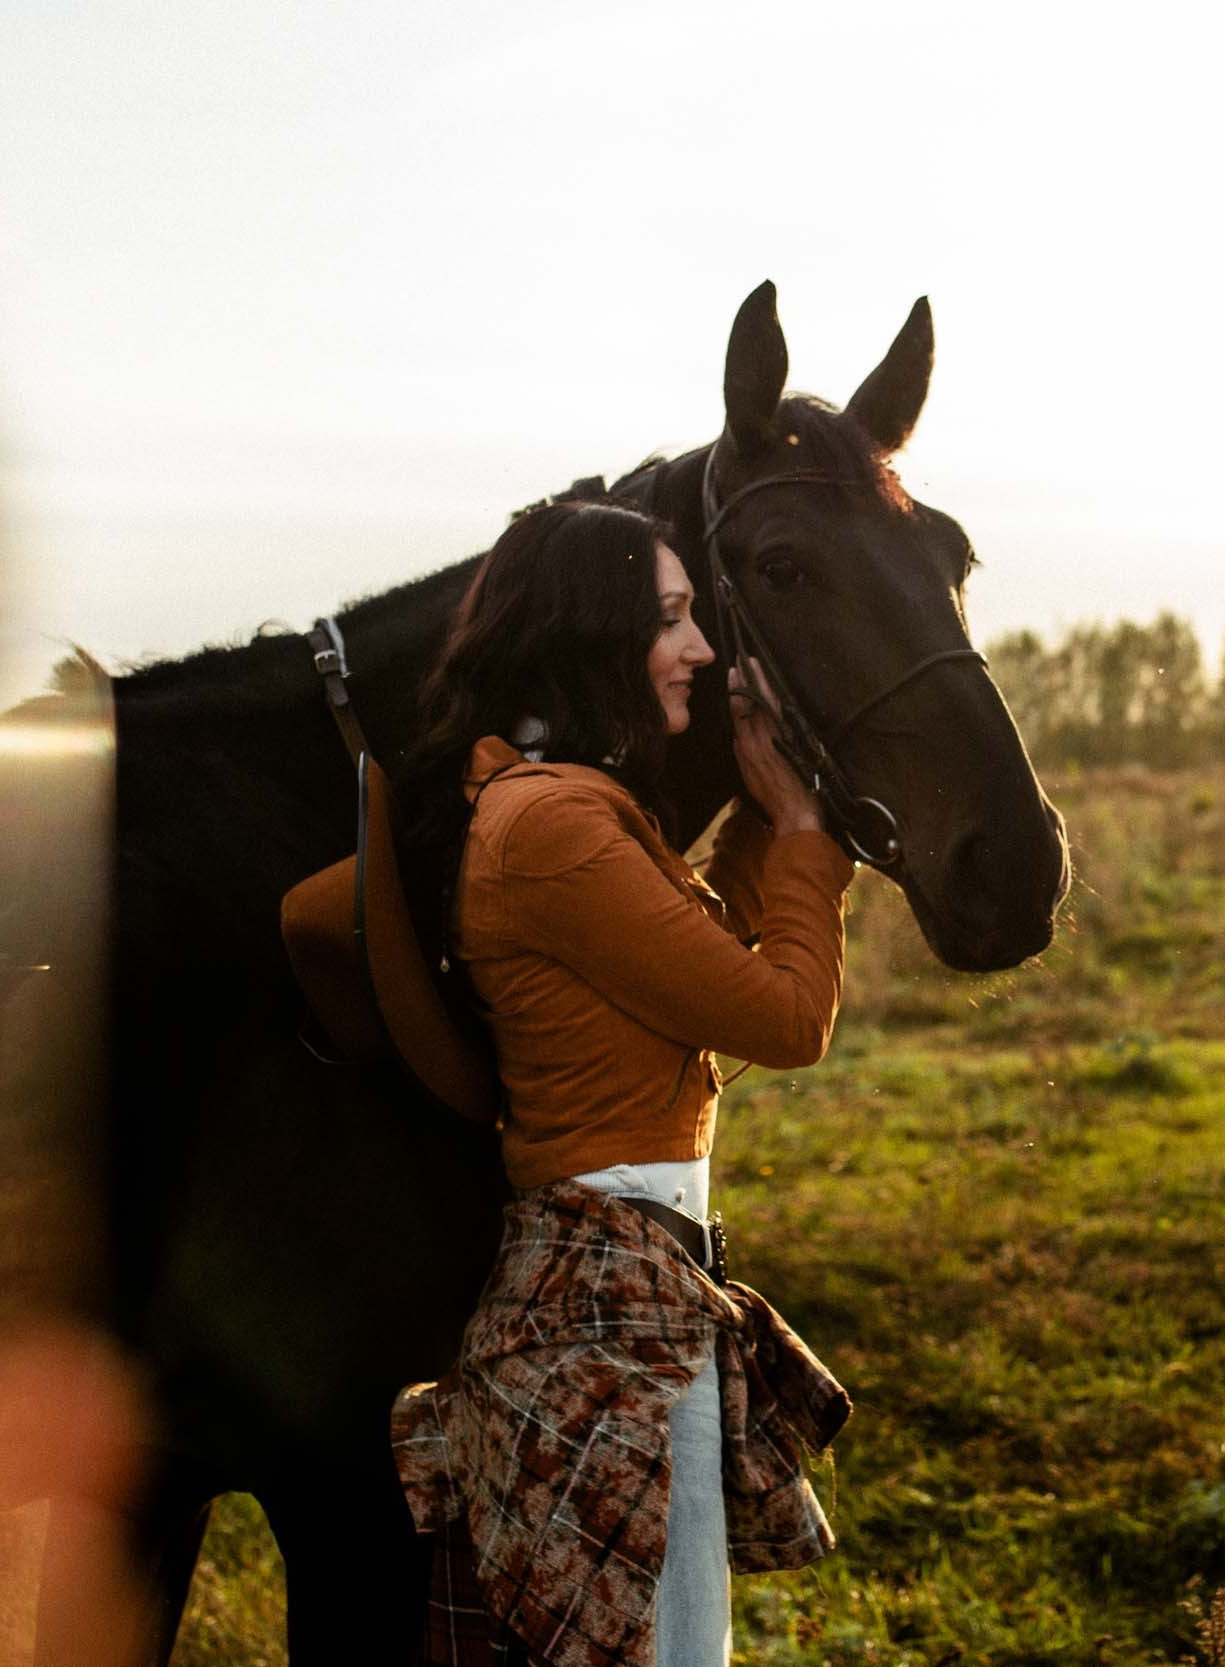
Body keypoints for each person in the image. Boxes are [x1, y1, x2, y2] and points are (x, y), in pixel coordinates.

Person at [388, 498, 855, 1667]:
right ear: (588, 632)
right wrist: (803, 838)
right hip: (609, 1312)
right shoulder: (553, 825)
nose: (699, 646)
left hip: (631, 1286)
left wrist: (764, 813)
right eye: (670, 617)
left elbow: (704, 960)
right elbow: (784, 1015)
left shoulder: (572, 811)